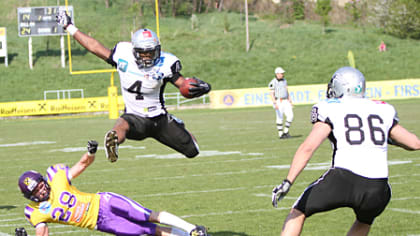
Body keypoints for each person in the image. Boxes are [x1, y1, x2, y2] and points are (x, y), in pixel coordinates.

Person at [271, 67, 420, 235]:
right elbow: (414, 143)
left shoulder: (329, 107)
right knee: (365, 220)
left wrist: (288, 181)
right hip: (378, 186)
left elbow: (308, 147)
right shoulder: (382, 108)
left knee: (297, 212)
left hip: (344, 178)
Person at [56, 11, 211, 162]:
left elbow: (183, 84)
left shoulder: (166, 63)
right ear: (134, 50)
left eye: (151, 53)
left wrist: (198, 88)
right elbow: (94, 46)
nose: (147, 57)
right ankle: (113, 141)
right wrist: (69, 26)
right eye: (143, 53)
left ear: (157, 49)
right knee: (122, 125)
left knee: (193, 151)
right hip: (135, 118)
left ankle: (177, 124)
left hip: (159, 119)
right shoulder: (123, 54)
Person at [18, 140, 208, 236]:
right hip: (100, 223)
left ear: (44, 180)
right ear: (30, 196)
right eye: (36, 191)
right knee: (144, 231)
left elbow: (82, 165)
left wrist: (90, 152)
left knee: (145, 215)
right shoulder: (35, 213)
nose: (41, 191)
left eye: (41, 186)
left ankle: (193, 229)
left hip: (104, 202)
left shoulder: (56, 176)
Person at [269, 66, 294, 139]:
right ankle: (280, 134)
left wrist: (290, 100)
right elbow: (271, 93)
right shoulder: (273, 82)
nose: (282, 75)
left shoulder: (284, 80)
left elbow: (286, 90)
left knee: (290, 116)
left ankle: (286, 131)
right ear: (277, 74)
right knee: (280, 117)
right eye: (281, 73)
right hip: (278, 101)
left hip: (285, 100)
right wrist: (274, 103)